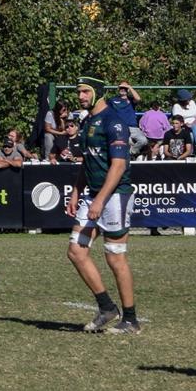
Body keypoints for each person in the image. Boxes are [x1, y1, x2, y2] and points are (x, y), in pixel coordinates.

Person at [65, 93, 140, 334]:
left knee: (115, 257)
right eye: (79, 91)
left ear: (97, 92)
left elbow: (118, 166)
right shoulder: (88, 121)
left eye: (85, 91)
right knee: (76, 251)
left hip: (115, 196)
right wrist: (76, 192)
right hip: (93, 194)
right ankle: (107, 308)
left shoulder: (114, 122)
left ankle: (130, 319)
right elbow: (87, 162)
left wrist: (100, 200)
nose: (81, 96)